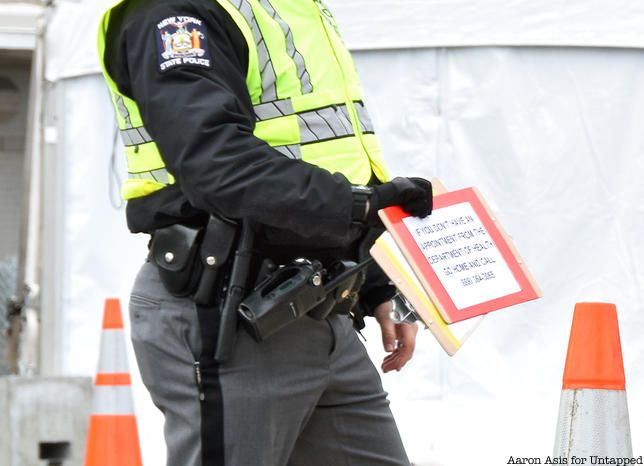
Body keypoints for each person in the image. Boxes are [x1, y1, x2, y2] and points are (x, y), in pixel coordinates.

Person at [97, 1, 433, 465]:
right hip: (229, 310)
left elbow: (333, 157)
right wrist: (358, 207)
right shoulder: (175, 13)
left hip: (319, 300)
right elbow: (215, 162)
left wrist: (375, 280)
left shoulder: (294, 8)